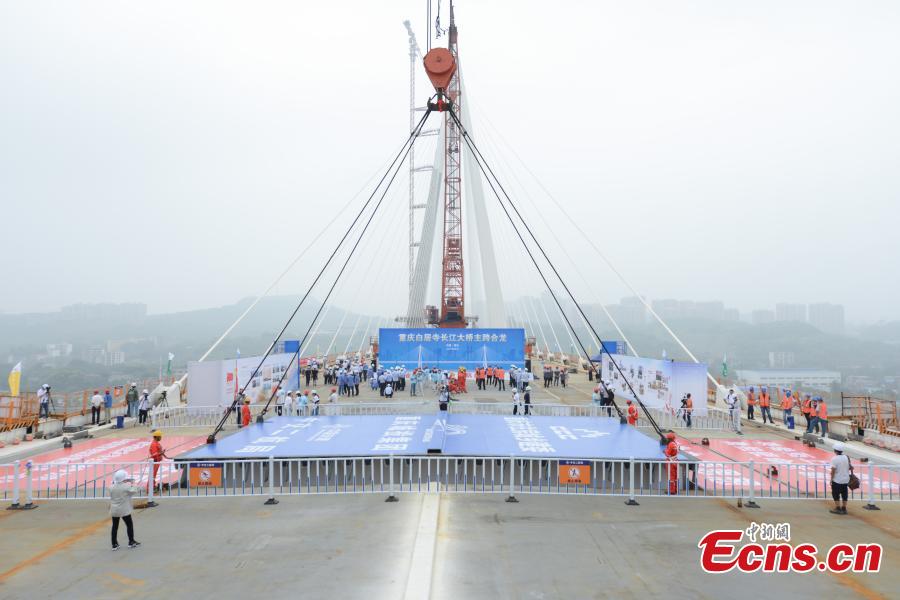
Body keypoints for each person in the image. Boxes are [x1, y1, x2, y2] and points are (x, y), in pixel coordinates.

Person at [109, 470, 141, 550]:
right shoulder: (126, 487)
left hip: (114, 509)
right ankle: (131, 541)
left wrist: (125, 482)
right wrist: (133, 483)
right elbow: (135, 490)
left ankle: (114, 544)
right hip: (124, 510)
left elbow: (119, 487)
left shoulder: (111, 487)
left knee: (115, 526)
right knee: (129, 525)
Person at [829, 442, 852, 514]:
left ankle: (838, 508)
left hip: (837, 480)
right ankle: (844, 508)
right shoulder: (846, 457)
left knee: (835, 494)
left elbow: (833, 470)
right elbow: (850, 467)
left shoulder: (834, 459)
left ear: (835, 450)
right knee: (844, 494)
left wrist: (831, 479)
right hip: (845, 479)